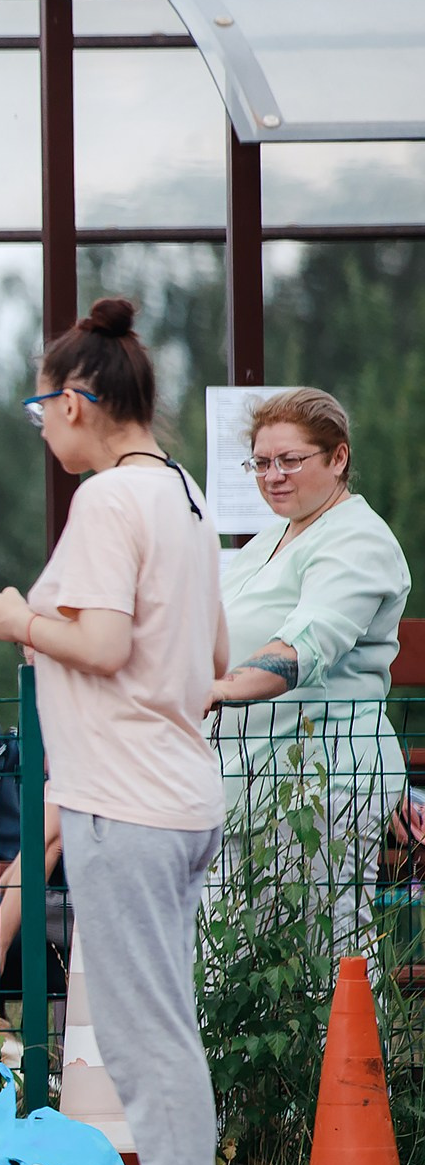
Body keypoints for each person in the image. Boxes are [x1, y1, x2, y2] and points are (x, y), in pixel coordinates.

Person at [0, 296, 233, 1165]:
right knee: (157, 1018)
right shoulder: (187, 497)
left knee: (144, 1028)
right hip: (176, 787)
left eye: (43, 408)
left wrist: (19, 619)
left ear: (77, 402)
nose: (42, 428)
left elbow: (105, 644)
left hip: (124, 797)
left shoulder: (110, 501)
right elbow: (210, 658)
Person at [201, 387, 412, 958]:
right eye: (261, 462)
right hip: (241, 780)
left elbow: (306, 645)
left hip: (321, 783)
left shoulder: (357, 540)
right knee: (224, 960)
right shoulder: (271, 538)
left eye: (290, 460)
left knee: (329, 953)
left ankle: (363, 1053)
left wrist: (218, 689)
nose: (273, 476)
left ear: (338, 458)